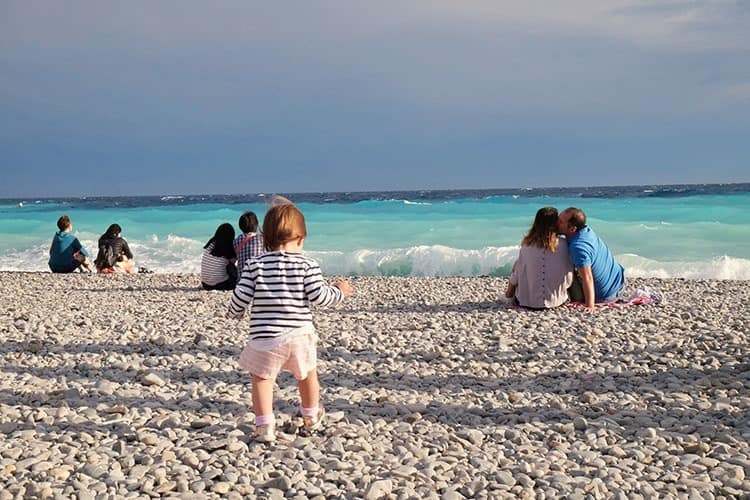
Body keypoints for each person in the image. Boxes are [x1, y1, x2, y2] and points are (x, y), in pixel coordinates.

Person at [227, 198, 354, 443]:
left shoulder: (255, 265)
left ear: (265, 238)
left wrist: (234, 311)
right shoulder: (308, 265)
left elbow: (240, 295)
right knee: (307, 375)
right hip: (299, 335)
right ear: (301, 239)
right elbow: (320, 296)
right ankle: (311, 417)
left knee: (262, 380)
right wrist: (340, 291)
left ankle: (265, 425)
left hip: (265, 338)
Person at [557, 207, 625, 312]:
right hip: (619, 282)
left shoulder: (578, 247)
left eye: (560, 222)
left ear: (572, 229)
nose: (556, 223)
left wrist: (590, 305)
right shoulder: (587, 230)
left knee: (565, 267)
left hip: (606, 295)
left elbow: (587, 277)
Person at [505, 207, 574, 309]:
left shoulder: (527, 244)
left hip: (527, 302)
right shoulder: (564, 244)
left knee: (517, 264)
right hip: (556, 301)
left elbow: (518, 274)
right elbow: (568, 278)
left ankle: (508, 295)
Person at [201, 223, 237, 290]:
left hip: (205, 284)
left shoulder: (211, 242)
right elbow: (233, 262)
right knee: (231, 267)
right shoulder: (227, 246)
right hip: (220, 285)